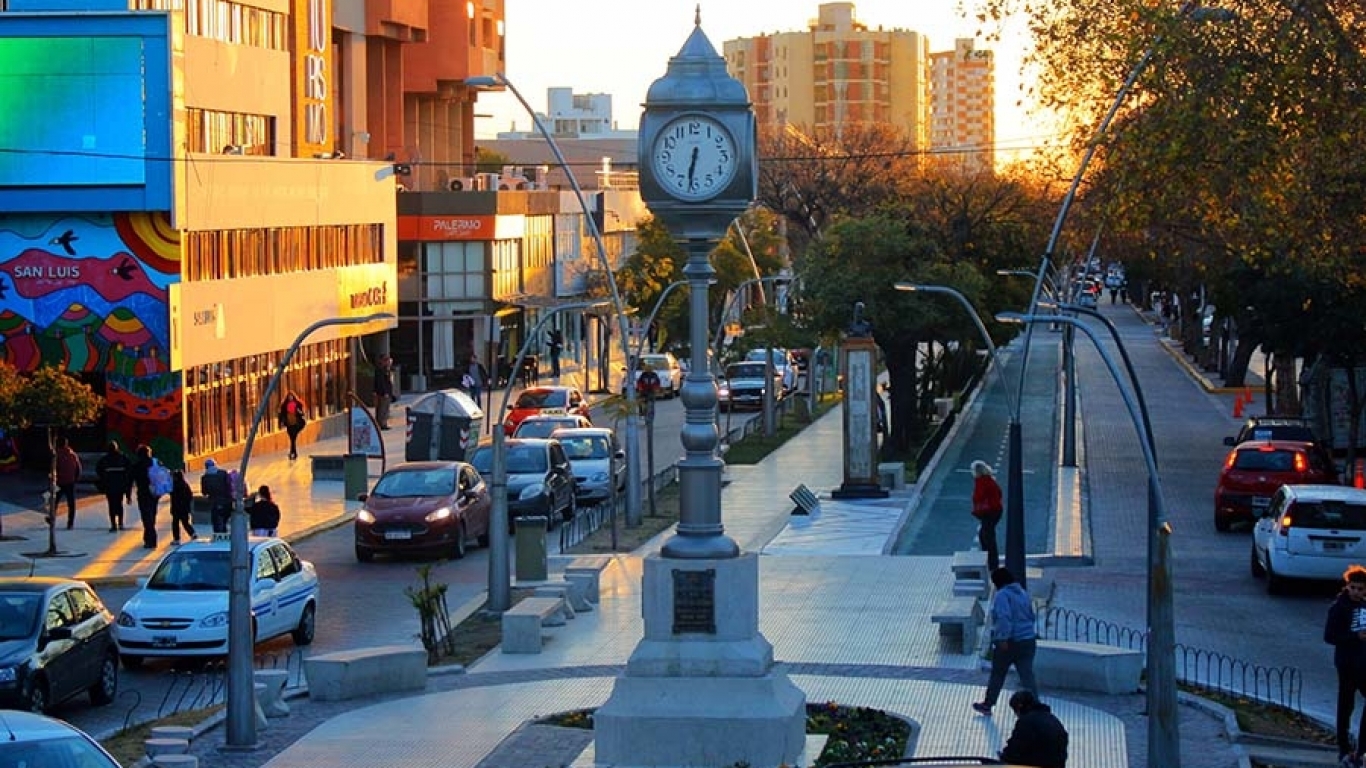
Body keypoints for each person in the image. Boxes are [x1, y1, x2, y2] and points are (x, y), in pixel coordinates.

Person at [973, 567, 1039, 715]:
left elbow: (1004, 618)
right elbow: (1031, 615)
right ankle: (1036, 706)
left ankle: (988, 704)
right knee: (1027, 675)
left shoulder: (1002, 595)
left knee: (998, 673)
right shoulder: (1022, 593)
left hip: (1010, 642)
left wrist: (1002, 637)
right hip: (1028, 640)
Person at [1325, 564, 1366, 766]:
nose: (1357, 592)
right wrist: (1354, 637)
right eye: (1354, 588)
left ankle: (1361, 748)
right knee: (1346, 705)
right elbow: (1330, 636)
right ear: (1347, 586)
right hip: (1347, 663)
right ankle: (1344, 748)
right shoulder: (1339, 607)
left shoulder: (1365, 606)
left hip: (1364, 663)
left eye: (1361, 589)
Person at [999, 690, 1069, 768]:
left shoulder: (1026, 721)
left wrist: (1003, 757)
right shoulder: (1051, 718)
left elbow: (1015, 749)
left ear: (1019, 707)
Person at [971, 460, 1004, 571]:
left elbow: (978, 496)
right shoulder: (989, 479)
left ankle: (992, 563)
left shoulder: (981, 481)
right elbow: (999, 493)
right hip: (995, 511)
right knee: (985, 535)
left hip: (990, 512)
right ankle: (989, 561)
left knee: (987, 537)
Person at [95, 441, 132, 532]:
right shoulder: (123, 458)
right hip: (120, 486)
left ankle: (113, 525)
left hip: (109, 486)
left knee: (111, 505)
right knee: (119, 504)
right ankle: (120, 523)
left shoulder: (105, 459)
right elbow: (129, 472)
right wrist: (128, 492)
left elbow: (98, 469)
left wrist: (104, 478)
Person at [129, 444, 160, 548]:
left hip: (143, 493)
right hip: (155, 493)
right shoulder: (156, 463)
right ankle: (149, 538)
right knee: (152, 515)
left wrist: (128, 495)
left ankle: (150, 539)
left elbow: (130, 481)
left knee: (146, 517)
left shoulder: (137, 466)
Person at [52, 436, 82, 530]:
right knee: (71, 504)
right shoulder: (72, 454)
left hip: (59, 482)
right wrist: (75, 479)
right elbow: (78, 468)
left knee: (54, 501)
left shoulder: (56, 455)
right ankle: (70, 523)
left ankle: (51, 519)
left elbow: (53, 468)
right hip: (70, 482)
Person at [200, 457, 233, 534]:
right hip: (227, 502)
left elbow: (204, 492)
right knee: (224, 520)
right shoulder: (223, 473)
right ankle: (224, 532)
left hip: (214, 502)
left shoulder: (204, 478)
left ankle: (217, 535)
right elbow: (229, 485)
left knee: (215, 521)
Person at [169, 469, 197, 544]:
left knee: (175, 523)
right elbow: (190, 496)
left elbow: (170, 493)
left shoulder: (173, 486)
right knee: (185, 523)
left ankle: (176, 539)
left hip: (176, 508)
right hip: (184, 508)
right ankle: (192, 533)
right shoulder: (185, 484)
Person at [277, 391, 308, 460]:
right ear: (287, 398)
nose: (290, 398)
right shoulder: (285, 405)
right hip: (289, 423)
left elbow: (302, 413)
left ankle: (292, 453)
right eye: (289, 397)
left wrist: (300, 412)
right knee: (292, 439)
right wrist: (281, 422)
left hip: (296, 423)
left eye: (291, 396)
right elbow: (281, 414)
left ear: (293, 397)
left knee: (293, 439)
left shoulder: (297, 404)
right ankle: (293, 453)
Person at [374, 354, 395, 430]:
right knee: (382, 408)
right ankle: (381, 423)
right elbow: (380, 382)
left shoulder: (387, 369)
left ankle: (384, 422)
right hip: (383, 393)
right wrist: (384, 392)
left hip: (388, 392)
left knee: (386, 408)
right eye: (386, 360)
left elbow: (390, 380)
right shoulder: (380, 370)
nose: (388, 362)